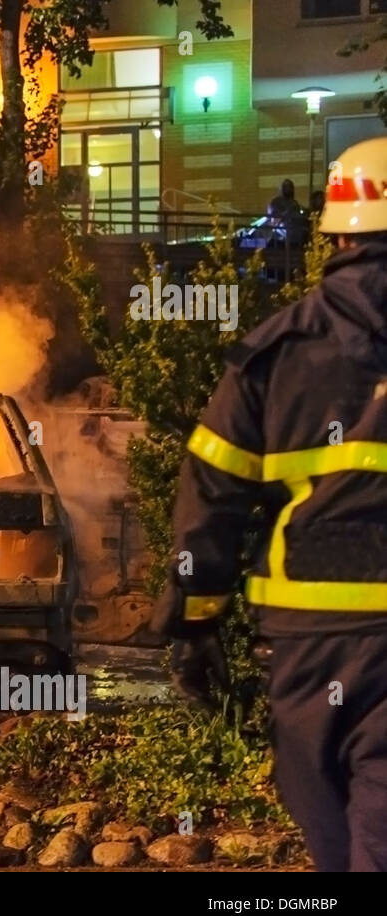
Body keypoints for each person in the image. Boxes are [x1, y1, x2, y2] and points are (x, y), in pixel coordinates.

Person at [152, 137, 387, 872]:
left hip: (307, 645)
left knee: (333, 837)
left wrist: (193, 626)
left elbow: (209, 502)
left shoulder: (275, 352)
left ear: (334, 234)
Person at [268, 178, 306, 248]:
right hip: (280, 236)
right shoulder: (276, 202)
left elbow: (298, 216)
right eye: (286, 186)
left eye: (290, 187)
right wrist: (288, 211)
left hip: (295, 236)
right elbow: (274, 219)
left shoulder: (295, 203)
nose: (288, 189)